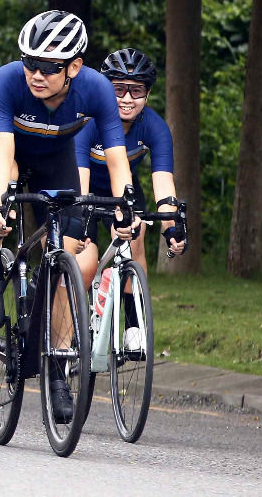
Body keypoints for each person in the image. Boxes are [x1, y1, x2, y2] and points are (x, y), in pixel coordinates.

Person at [0, 10, 135, 423]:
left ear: (75, 67)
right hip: (5, 147)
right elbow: (5, 151)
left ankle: (58, 368)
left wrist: (126, 207)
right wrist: (0, 205)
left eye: (49, 66)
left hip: (56, 157)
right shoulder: (8, 79)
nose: (35, 73)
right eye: (30, 61)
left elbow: (118, 161)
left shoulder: (96, 89)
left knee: (65, 254)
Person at [70, 49, 186, 351]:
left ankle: (134, 324)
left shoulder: (155, 127)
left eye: (136, 90)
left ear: (147, 94)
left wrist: (172, 227)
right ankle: (71, 319)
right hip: (83, 187)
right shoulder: (89, 122)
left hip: (123, 191)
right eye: (118, 88)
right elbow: (79, 175)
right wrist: (81, 218)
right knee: (83, 258)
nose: (126, 98)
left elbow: (163, 183)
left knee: (136, 237)